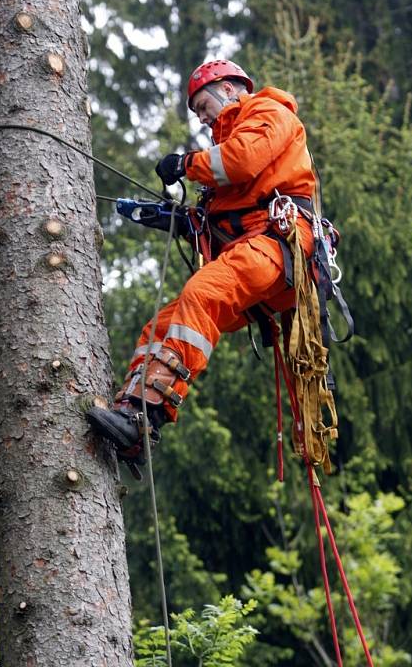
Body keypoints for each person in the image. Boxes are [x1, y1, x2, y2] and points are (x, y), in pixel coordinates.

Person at [87, 59, 317, 471]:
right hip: (250, 252)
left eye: (202, 104)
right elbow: (218, 221)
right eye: (195, 111)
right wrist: (169, 218)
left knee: (202, 292)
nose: (201, 115)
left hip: (277, 245)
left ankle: (143, 411)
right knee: (163, 324)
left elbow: (241, 161)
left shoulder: (269, 112)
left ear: (229, 89)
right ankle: (134, 422)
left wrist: (186, 164)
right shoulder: (222, 161)